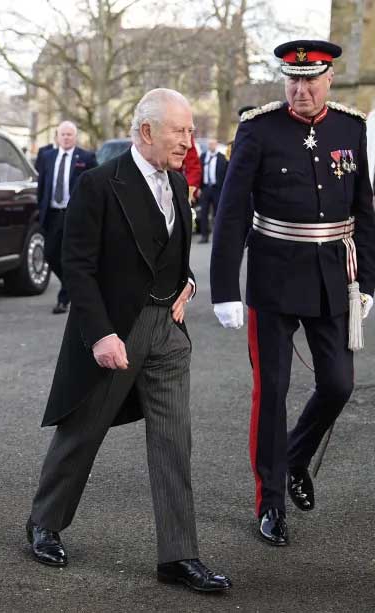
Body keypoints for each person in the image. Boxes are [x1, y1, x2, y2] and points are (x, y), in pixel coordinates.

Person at [25, 88, 231, 593]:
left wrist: (189, 285)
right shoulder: (99, 185)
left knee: (173, 444)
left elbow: (177, 259)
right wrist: (99, 334)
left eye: (189, 130)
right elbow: (76, 266)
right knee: (83, 431)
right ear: (146, 132)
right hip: (117, 331)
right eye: (179, 131)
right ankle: (44, 524)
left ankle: (178, 556)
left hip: (169, 334)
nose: (189, 140)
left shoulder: (179, 184)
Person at [210, 39, 375, 546]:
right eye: (293, 79)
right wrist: (224, 289)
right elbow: (232, 212)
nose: (301, 89)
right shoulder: (258, 129)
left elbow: (364, 209)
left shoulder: (351, 127)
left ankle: (296, 458)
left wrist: (365, 281)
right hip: (274, 277)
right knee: (273, 392)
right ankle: (271, 502)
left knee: (338, 385)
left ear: (329, 80)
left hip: (332, 274)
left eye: (311, 80)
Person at [35, 120, 97, 314]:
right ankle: (72, 287)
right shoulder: (47, 157)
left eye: (70, 134)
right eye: (63, 134)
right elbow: (42, 186)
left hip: (74, 215)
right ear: (57, 137)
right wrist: (40, 211)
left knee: (69, 257)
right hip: (52, 214)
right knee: (50, 254)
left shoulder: (86, 157)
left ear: (75, 137)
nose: (66, 138)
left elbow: (95, 186)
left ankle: (64, 298)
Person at [197, 138, 228, 243]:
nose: (212, 146)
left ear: (216, 145)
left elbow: (225, 175)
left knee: (218, 214)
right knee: (204, 212)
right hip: (205, 188)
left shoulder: (222, 158)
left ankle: (218, 236)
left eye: (214, 144)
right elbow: (199, 172)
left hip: (217, 189)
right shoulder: (203, 157)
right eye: (210, 144)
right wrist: (198, 187)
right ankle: (204, 236)